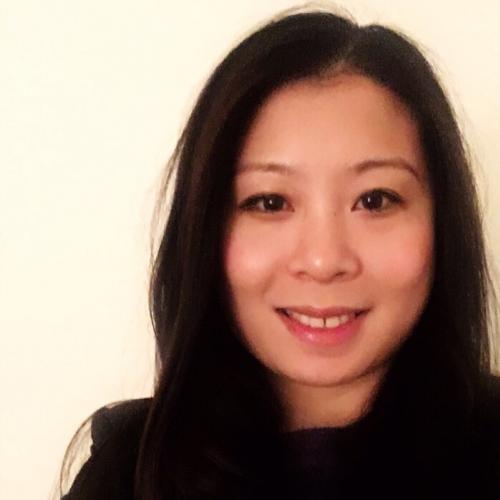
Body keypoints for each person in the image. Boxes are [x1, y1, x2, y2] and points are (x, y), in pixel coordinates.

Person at [58, 7, 500, 500]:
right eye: (270, 202)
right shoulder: (128, 476)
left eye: (375, 200)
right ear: (204, 228)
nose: (323, 260)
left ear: (442, 220)